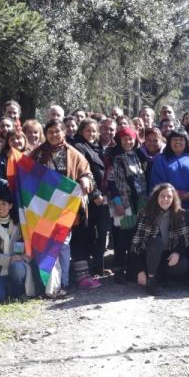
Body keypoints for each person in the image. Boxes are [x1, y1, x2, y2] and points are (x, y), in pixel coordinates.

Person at [31, 119, 95, 291]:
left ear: (64, 133)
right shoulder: (37, 154)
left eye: (57, 131)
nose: (53, 135)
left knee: (63, 245)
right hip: (43, 207)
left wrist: (84, 179)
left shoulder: (74, 154)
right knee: (45, 245)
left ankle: (64, 281)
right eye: (50, 132)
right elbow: (28, 176)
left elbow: (87, 173)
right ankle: (48, 283)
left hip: (66, 208)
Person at [108, 126, 152, 284]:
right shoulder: (116, 158)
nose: (128, 142)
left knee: (136, 236)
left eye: (131, 139)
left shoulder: (138, 157)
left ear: (135, 140)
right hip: (125, 203)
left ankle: (133, 270)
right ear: (120, 140)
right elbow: (112, 183)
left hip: (139, 201)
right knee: (123, 237)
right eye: (125, 139)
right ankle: (119, 270)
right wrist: (118, 202)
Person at [131, 183, 189, 295]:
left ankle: (161, 277)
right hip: (148, 256)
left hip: (166, 256)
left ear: (173, 199)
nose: (165, 199)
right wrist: (139, 270)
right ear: (156, 197)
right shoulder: (145, 214)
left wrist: (177, 252)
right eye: (162, 196)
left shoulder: (180, 214)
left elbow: (184, 240)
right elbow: (136, 244)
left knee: (183, 264)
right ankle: (152, 280)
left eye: (169, 197)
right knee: (156, 242)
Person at [71, 118, 109, 284]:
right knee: (87, 234)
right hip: (91, 199)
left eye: (94, 131)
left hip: (102, 198)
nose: (92, 134)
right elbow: (85, 173)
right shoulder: (79, 148)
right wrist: (95, 194)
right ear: (81, 131)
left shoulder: (98, 147)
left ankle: (98, 267)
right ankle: (86, 271)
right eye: (88, 131)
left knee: (101, 234)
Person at [0, 195, 35, 302]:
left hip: (17, 265)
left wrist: (24, 257)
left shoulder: (20, 224)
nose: (0, 207)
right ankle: (6, 289)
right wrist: (8, 260)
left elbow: (30, 247)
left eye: (4, 204)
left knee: (17, 268)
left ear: (10, 205)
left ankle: (19, 292)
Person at [149, 128, 189, 208]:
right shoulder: (160, 160)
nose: (177, 142)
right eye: (174, 139)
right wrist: (171, 194)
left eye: (181, 139)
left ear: (186, 142)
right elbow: (156, 181)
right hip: (167, 203)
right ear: (169, 142)